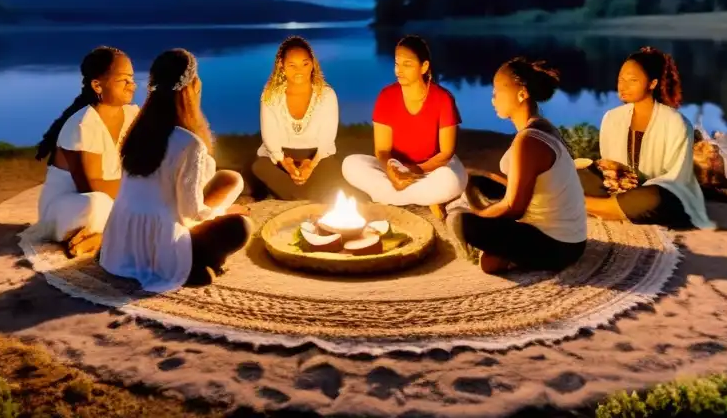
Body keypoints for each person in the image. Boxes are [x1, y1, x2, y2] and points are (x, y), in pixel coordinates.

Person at [99, 49, 252, 292]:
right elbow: (188, 214)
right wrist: (220, 212)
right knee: (240, 227)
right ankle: (189, 265)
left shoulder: (137, 130)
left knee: (229, 179)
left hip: (122, 243)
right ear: (191, 85)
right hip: (164, 243)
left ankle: (182, 260)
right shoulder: (189, 143)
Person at [447, 58, 587, 274]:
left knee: (459, 221)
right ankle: (504, 255)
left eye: (497, 91)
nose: (493, 99)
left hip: (557, 245)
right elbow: (535, 185)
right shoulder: (542, 127)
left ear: (522, 94)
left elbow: (515, 208)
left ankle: (502, 253)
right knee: (477, 181)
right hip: (569, 239)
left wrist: (478, 216)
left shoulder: (529, 140)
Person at [579, 46, 715, 230]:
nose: (623, 86)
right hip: (620, 189)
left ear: (652, 83)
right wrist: (613, 171)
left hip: (662, 194)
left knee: (653, 198)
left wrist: (637, 186)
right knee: (576, 177)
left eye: (632, 80)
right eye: (621, 79)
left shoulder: (676, 122)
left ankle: (580, 204)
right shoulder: (612, 118)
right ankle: (608, 206)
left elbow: (677, 178)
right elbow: (609, 165)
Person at [34, 46, 139, 258]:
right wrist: (143, 192)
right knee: (98, 204)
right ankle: (103, 237)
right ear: (97, 85)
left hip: (115, 198)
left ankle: (102, 237)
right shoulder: (83, 124)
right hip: (71, 207)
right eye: (123, 80)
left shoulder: (133, 115)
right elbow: (91, 186)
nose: (132, 85)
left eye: (132, 78)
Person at [342, 34, 466, 212]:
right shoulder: (386, 97)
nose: (399, 70)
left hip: (433, 169)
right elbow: (382, 150)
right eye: (397, 63)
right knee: (351, 164)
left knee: (452, 181)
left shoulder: (443, 99)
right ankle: (420, 197)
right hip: (396, 168)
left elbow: (446, 153)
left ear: (424, 67)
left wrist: (413, 171)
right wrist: (393, 172)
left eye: (407, 64)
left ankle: (389, 197)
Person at [250, 36, 362, 202]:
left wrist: (311, 164)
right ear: (282, 66)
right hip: (282, 157)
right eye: (292, 65)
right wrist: (286, 164)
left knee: (332, 170)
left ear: (312, 64)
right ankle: (308, 194)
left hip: (317, 157)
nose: (299, 71)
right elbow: (270, 137)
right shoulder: (271, 95)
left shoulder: (326, 95)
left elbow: (327, 138)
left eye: (305, 64)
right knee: (259, 167)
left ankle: (292, 194)